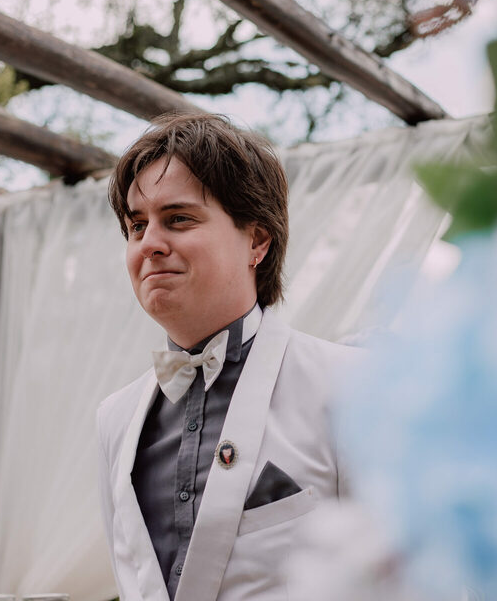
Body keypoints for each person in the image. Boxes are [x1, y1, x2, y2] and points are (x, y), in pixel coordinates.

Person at [95, 113, 359, 601]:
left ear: (256, 241)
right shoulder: (114, 420)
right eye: (136, 226)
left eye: (178, 219)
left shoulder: (349, 384)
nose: (149, 244)